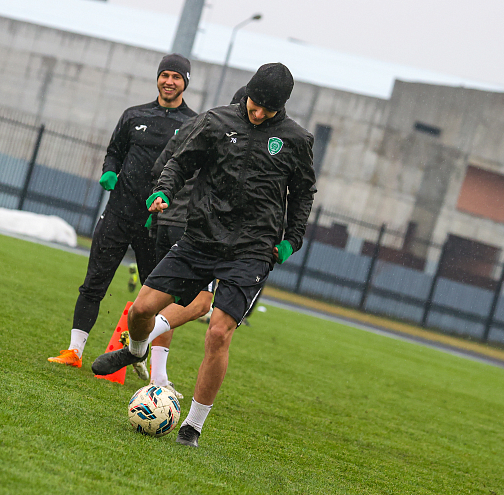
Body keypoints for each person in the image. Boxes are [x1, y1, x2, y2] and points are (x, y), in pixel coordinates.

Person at [92, 63, 316, 447]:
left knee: (218, 332)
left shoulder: (296, 139)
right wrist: (164, 191)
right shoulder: (216, 121)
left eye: (268, 109)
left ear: (281, 107)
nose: (258, 113)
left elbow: (303, 193)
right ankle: (136, 351)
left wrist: (290, 239)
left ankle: (192, 427)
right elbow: (179, 162)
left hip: (252, 249)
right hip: (200, 238)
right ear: (247, 93)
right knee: (141, 310)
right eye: (254, 104)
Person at [48, 54, 197, 373]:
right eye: (165, 75)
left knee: (156, 298)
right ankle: (74, 350)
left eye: (176, 77)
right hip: (118, 213)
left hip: (158, 222)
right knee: (93, 283)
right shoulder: (134, 115)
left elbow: (191, 172)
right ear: (157, 78)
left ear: (186, 82)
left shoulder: (193, 124)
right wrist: (109, 171)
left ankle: (144, 359)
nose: (169, 81)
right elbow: (114, 152)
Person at [142, 86, 249, 397]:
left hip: (166, 219)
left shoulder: (195, 123)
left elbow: (161, 166)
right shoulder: (233, 137)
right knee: (200, 303)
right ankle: (142, 337)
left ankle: (158, 376)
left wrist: (165, 196)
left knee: (168, 300)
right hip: (195, 228)